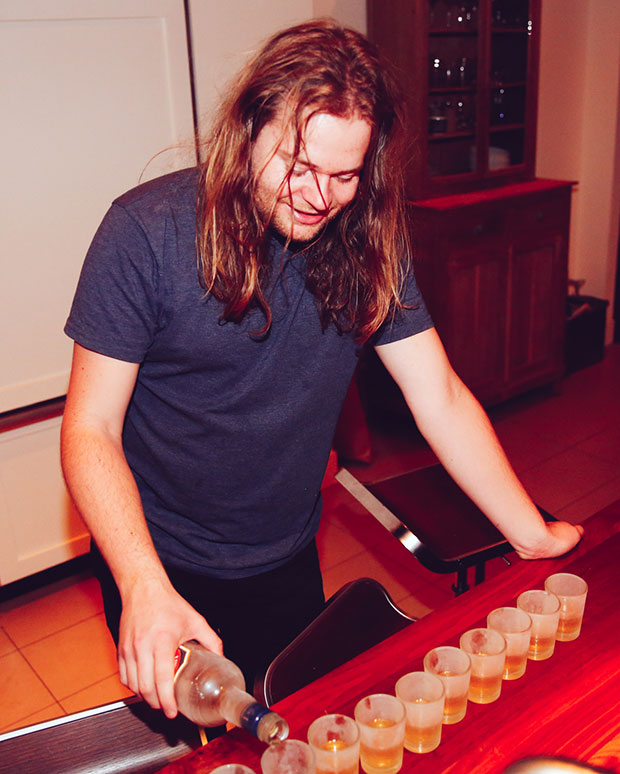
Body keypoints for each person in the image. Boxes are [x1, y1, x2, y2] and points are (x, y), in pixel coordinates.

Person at [60, 19, 583, 722]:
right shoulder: (144, 233)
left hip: (285, 550)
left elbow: (441, 397)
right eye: (297, 166)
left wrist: (531, 533)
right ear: (249, 130)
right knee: (192, 745)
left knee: (293, 722)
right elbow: (90, 428)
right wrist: (143, 585)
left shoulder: (368, 238)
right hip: (160, 557)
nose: (317, 195)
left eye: (344, 175)